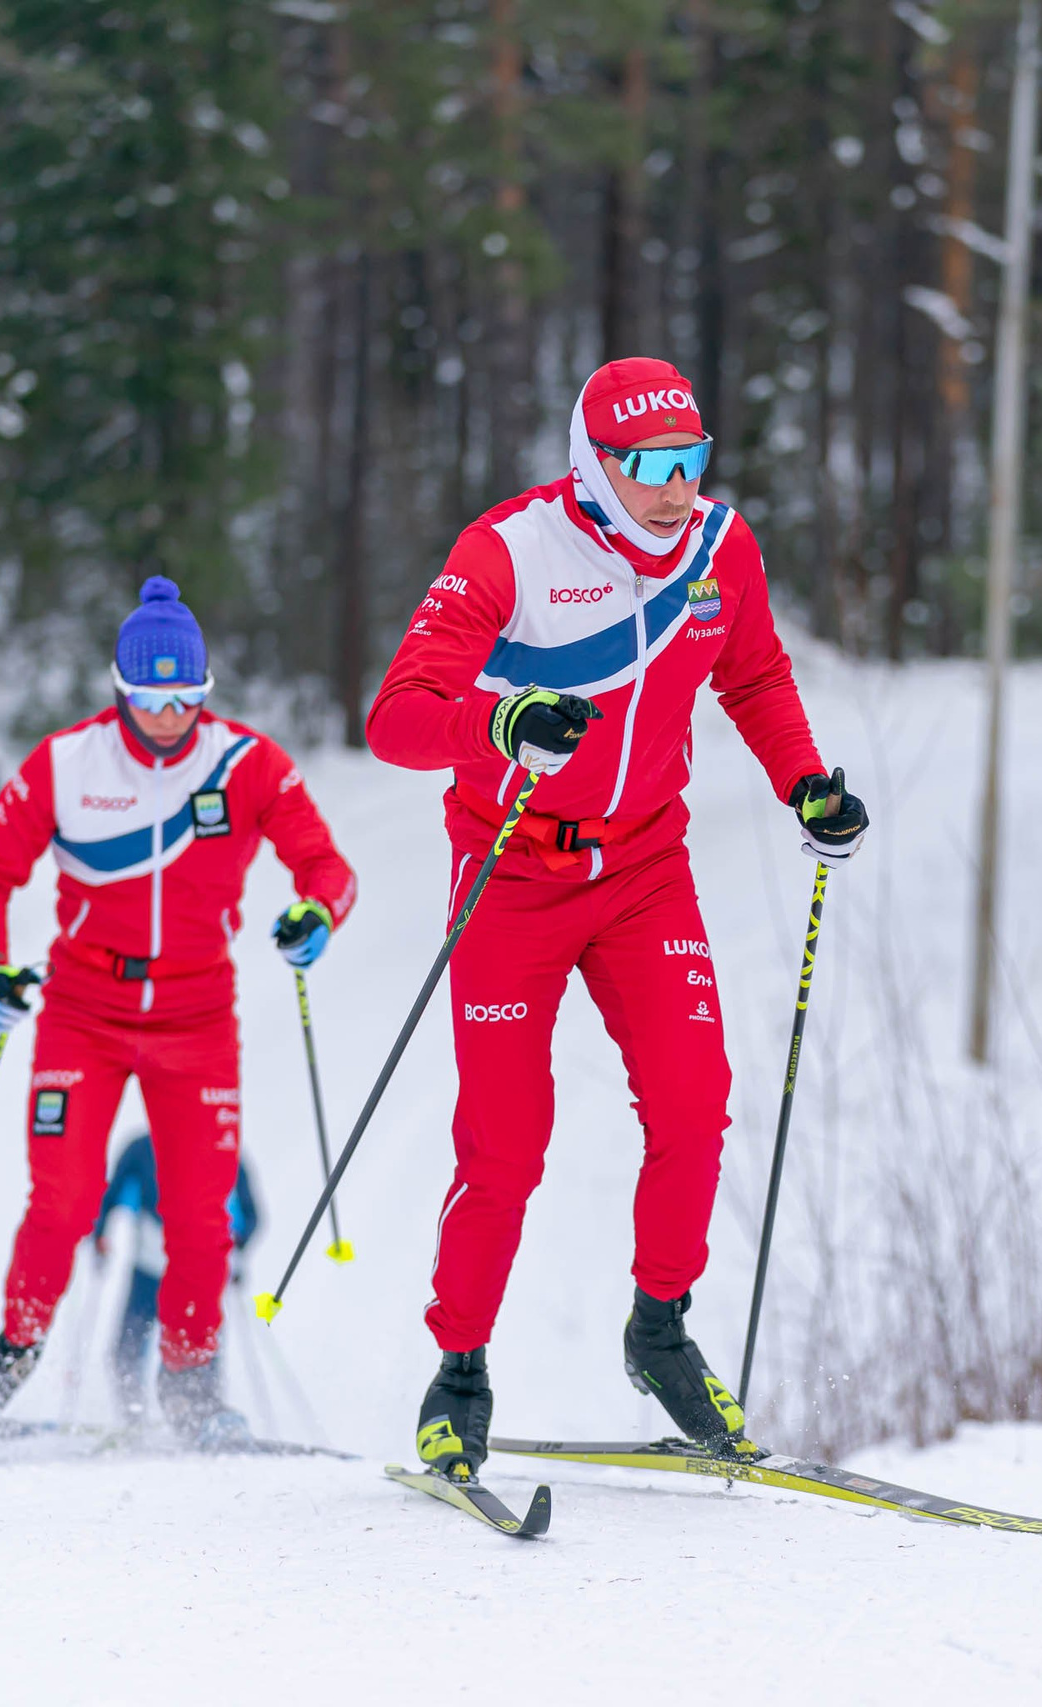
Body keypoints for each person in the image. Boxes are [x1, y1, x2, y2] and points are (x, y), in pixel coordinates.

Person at [366, 357, 868, 1479]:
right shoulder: (510, 549)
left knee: (695, 1104)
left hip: (645, 869)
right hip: (512, 872)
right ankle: (458, 1370)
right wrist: (499, 726)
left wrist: (807, 785)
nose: (674, 488)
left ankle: (660, 1327)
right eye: (647, 466)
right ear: (596, 463)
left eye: (691, 461)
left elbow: (753, 675)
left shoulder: (718, 550)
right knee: (505, 1144)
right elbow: (398, 717)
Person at [0, 577, 356, 1447]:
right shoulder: (66, 764)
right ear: (120, 688)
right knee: (62, 1201)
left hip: (196, 1013)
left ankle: (189, 1381)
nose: (169, 715)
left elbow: (327, 865)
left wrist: (316, 914)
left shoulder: (246, 764)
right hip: (83, 1009)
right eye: (150, 697)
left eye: (187, 697)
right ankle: (11, 1355)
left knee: (203, 1216)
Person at [93, 1131, 258, 1421]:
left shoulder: (220, 1147)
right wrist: (100, 1235)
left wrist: (237, 1250)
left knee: (197, 1344)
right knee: (130, 1349)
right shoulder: (141, 1148)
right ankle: (132, 1415)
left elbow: (251, 1214)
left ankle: (203, 1414)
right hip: (151, 1267)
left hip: (195, 1267)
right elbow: (109, 1197)